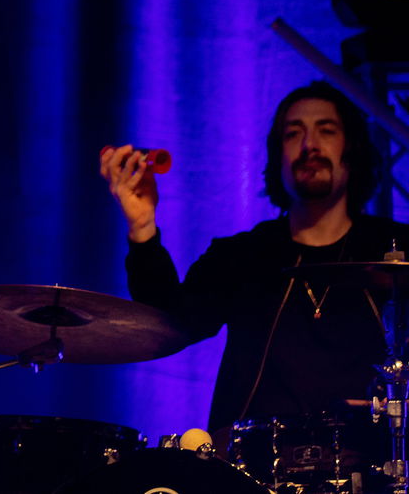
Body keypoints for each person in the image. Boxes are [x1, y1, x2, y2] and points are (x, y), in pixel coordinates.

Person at [100, 81, 405, 446]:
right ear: (277, 156)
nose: (309, 145)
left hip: (370, 461)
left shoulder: (393, 250)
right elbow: (166, 324)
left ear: (352, 149)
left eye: (326, 130)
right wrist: (143, 228)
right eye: (293, 134)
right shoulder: (242, 256)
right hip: (251, 466)